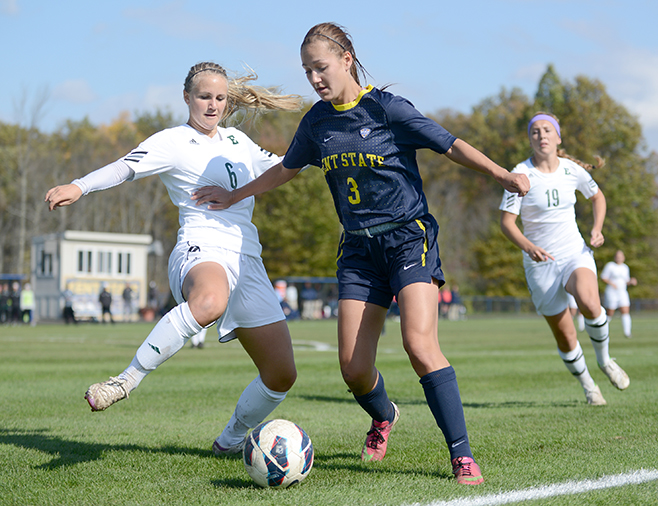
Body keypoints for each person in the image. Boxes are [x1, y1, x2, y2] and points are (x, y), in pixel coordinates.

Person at [193, 23, 530, 485]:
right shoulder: (317, 122)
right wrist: (234, 196)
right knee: (353, 369)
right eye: (307, 70)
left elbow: (449, 144)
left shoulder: (387, 109)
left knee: (419, 344)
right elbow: (286, 171)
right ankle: (383, 415)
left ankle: (462, 455)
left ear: (346, 59)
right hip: (358, 250)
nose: (314, 78)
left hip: (409, 240)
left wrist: (500, 174)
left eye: (321, 67)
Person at [45, 61, 301, 455]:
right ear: (187, 97)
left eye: (219, 98)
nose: (212, 105)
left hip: (248, 259)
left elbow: (286, 167)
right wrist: (79, 186)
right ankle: (125, 381)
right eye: (204, 97)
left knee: (281, 375)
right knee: (209, 302)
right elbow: (124, 168)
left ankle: (230, 441)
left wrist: (325, 144)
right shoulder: (173, 141)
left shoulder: (239, 143)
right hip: (201, 248)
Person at [499, 112, 630, 406]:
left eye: (547, 130)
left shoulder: (572, 170)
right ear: (529, 139)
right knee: (566, 336)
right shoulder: (520, 174)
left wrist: (596, 229)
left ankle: (606, 361)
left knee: (589, 300)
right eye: (535, 131)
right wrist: (528, 247)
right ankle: (588, 386)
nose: (541, 135)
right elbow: (506, 223)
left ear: (558, 138)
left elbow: (598, 197)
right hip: (540, 264)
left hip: (574, 252)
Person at [601, 250, 637, 338]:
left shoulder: (625, 267)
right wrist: (612, 284)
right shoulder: (610, 266)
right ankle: (602, 331)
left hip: (622, 292)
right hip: (612, 292)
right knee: (610, 312)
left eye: (621, 256)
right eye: (617, 256)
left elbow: (626, 281)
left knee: (625, 311)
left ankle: (627, 332)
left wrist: (631, 281)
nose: (619, 258)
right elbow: (603, 277)